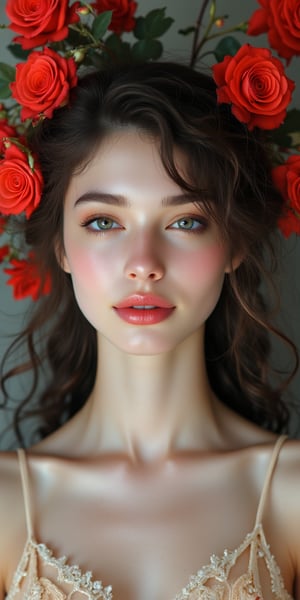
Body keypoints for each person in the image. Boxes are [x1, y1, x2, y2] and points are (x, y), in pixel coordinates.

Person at [0, 61, 299, 600]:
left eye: (186, 221)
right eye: (103, 222)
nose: (143, 264)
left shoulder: (290, 493)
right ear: (63, 247)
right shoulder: (5, 502)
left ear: (233, 245)